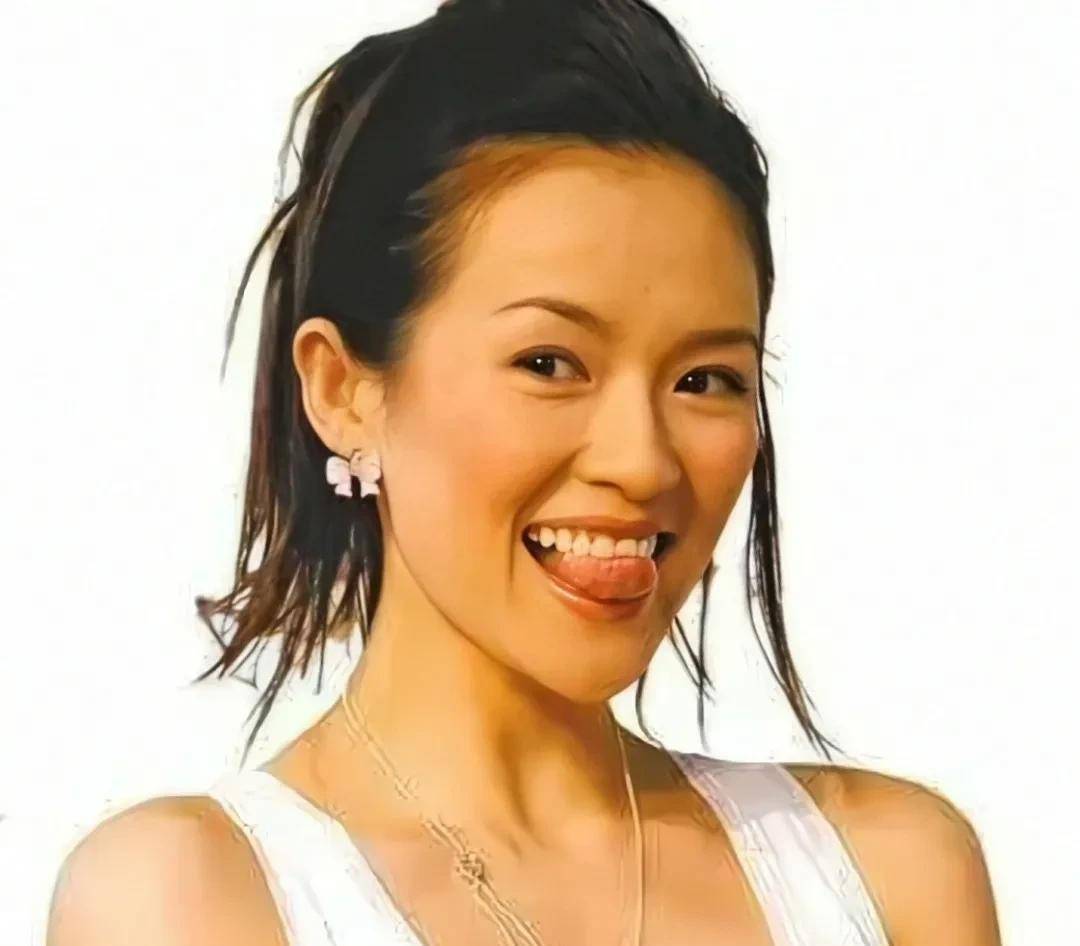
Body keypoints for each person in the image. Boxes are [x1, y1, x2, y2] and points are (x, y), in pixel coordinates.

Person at [45, 1, 1001, 944]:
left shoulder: (888, 876)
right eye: (549, 363)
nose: (641, 462)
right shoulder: (187, 900)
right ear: (343, 390)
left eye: (705, 379)